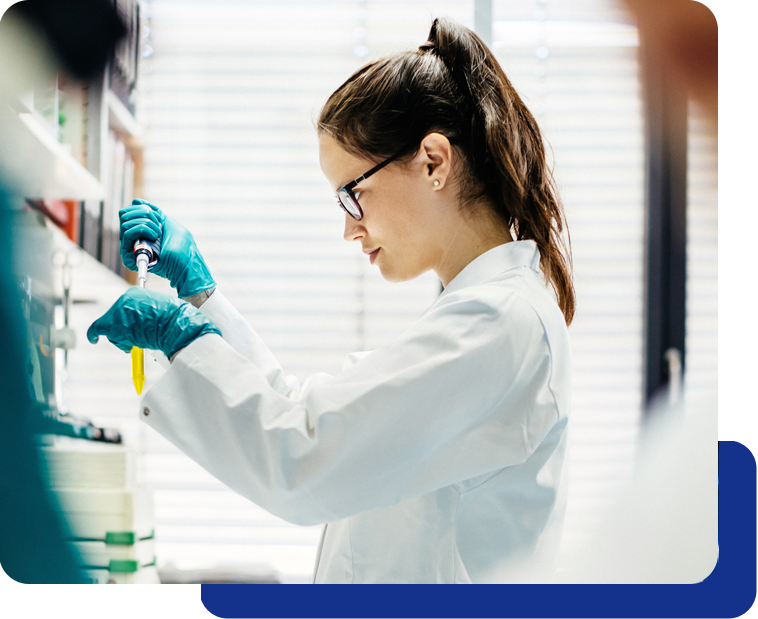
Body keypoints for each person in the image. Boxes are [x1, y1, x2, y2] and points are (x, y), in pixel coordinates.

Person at [88, 17, 575, 584]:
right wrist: (202, 298)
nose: (349, 230)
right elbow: (311, 416)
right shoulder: (476, 317)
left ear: (434, 162)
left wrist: (181, 336)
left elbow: (303, 457)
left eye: (353, 195)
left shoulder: (499, 324)